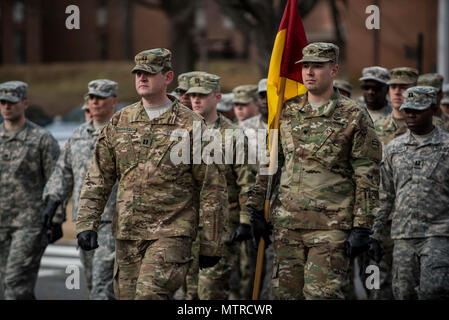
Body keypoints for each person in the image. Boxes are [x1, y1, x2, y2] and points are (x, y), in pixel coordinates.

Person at [75, 48, 228, 300]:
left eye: (149, 73)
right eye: (138, 73)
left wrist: (212, 242)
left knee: (149, 295)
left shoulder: (191, 125)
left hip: (171, 234)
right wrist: (86, 223)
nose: (142, 78)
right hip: (127, 234)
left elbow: (212, 186)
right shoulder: (120, 121)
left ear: (168, 77)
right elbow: (99, 176)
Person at [246, 42, 383, 300]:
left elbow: (367, 174)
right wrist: (255, 208)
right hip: (287, 225)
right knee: (285, 295)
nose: (309, 72)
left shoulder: (353, 115)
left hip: (330, 228)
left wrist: (362, 226)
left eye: (317, 66)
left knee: (322, 295)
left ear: (333, 70)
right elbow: (271, 162)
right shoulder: (287, 112)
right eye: (305, 66)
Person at [42, 80, 119, 300]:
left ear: (114, 101)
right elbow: (63, 172)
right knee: (94, 282)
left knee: (103, 286)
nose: (95, 102)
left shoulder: (122, 134)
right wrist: (53, 203)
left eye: (101, 97)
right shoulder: (78, 136)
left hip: (114, 220)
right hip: (84, 221)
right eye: (92, 97)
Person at [373, 86, 449, 300]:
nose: (410, 115)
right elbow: (385, 195)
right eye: (407, 110)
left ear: (433, 110)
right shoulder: (394, 149)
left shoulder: (446, 146)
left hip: (438, 234)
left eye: (418, 109)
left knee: (434, 291)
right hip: (403, 235)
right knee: (403, 292)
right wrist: (376, 235)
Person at [186, 72, 257, 300]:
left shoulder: (232, 135)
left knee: (211, 292)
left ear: (217, 97)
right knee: (189, 294)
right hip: (186, 227)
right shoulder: (182, 133)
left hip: (221, 228)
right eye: (193, 95)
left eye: (203, 95)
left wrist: (246, 221)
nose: (196, 100)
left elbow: (247, 181)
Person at [0, 81, 61, 299]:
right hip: (1, 223)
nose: (7, 107)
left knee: (15, 284)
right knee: (12, 286)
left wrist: (57, 219)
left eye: (12, 102)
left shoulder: (41, 139)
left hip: (29, 224)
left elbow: (57, 179)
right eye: (3, 102)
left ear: (25, 104)